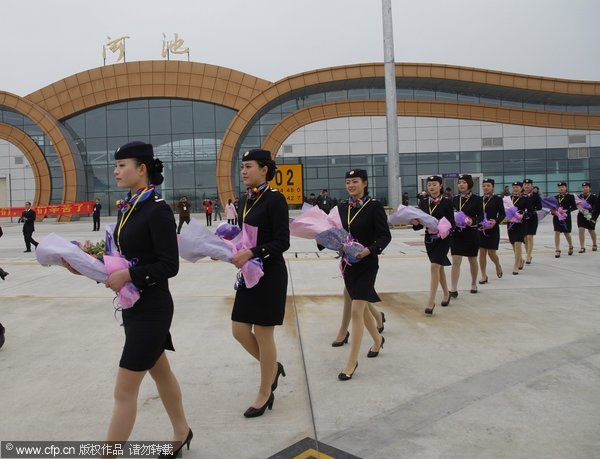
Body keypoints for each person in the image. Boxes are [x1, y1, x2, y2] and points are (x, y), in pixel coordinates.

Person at [63, 141, 192, 455]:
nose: (116, 171)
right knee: (161, 372)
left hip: (152, 308)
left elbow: (169, 265)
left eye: (122, 165)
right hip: (134, 307)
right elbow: (120, 258)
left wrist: (130, 276)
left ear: (142, 168)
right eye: (116, 165)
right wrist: (86, 266)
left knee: (124, 390)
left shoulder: (157, 209)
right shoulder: (129, 206)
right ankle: (182, 431)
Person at [231, 148, 290, 417]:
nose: (244, 171)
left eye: (249, 166)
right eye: (242, 167)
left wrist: (253, 253)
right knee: (239, 329)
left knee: (264, 334)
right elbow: (246, 236)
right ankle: (273, 368)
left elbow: (282, 242)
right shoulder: (245, 200)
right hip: (248, 274)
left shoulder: (275, 200)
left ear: (265, 169)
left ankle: (265, 391)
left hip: (270, 274)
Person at [332, 168, 391, 381]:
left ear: (365, 183)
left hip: (367, 264)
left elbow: (385, 236)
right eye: (348, 182)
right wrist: (331, 243)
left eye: (355, 181)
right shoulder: (340, 207)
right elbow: (334, 232)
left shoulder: (374, 206)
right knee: (363, 309)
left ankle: (351, 361)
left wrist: (369, 250)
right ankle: (377, 340)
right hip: (348, 265)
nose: (351, 186)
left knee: (357, 309)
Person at [411, 175, 455, 315]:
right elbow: (419, 224)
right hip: (429, 239)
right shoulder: (423, 202)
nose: (431, 187)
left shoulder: (447, 202)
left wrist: (444, 229)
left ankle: (431, 301)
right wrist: (415, 223)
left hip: (443, 238)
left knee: (434, 266)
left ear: (440, 185)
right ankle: (446, 294)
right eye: (429, 185)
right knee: (439, 267)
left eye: (434, 184)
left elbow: (452, 223)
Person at [449, 174, 482, 297]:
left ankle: (473, 283)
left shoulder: (477, 199)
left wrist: (472, 221)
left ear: (469, 184)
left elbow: (481, 216)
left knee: (472, 259)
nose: (461, 185)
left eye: (463, 182)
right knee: (456, 260)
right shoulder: (454, 199)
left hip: (471, 233)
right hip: (457, 233)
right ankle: (453, 288)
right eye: (459, 182)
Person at [477, 178, 505, 284]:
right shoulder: (479, 199)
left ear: (493, 186)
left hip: (492, 229)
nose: (486, 188)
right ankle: (484, 275)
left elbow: (502, 214)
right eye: (484, 186)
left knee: (491, 253)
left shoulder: (497, 199)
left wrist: (495, 222)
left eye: (488, 185)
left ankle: (497, 265)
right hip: (481, 229)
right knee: (482, 252)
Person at [506, 181, 533, 275]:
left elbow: (531, 212)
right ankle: (520, 260)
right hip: (510, 224)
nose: (515, 189)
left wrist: (523, 215)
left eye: (517, 187)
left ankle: (516, 265)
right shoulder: (508, 199)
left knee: (518, 243)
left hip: (521, 224)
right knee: (513, 243)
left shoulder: (525, 199)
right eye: (513, 187)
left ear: (521, 188)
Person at [552, 182, 577, 257]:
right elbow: (552, 208)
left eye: (562, 187)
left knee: (566, 233)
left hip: (566, 217)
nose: (561, 188)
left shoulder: (570, 196)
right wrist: (553, 212)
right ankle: (557, 249)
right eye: (559, 187)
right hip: (557, 217)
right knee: (557, 232)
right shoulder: (556, 197)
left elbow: (574, 207)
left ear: (566, 187)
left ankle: (570, 246)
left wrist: (566, 210)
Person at [522, 179, 542, 264]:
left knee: (530, 237)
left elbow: (540, 207)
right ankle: (528, 253)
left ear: (532, 186)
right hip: (523, 217)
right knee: (525, 238)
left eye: (528, 184)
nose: (526, 186)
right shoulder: (521, 195)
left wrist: (531, 209)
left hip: (532, 217)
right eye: (525, 184)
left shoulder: (535, 195)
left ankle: (528, 255)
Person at [577, 182, 597, 253]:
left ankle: (594, 244)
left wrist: (593, 215)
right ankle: (582, 247)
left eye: (586, 187)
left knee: (591, 230)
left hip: (589, 215)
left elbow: (595, 207)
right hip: (581, 215)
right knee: (581, 230)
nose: (584, 189)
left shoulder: (593, 196)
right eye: (583, 187)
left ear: (590, 188)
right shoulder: (580, 196)